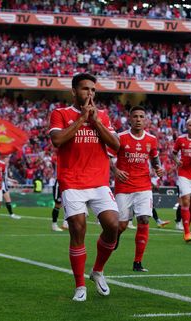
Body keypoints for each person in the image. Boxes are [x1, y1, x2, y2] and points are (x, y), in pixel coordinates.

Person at [49, 73, 120, 302]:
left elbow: (116, 145)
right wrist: (82, 119)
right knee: (78, 230)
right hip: (71, 180)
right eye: (84, 89)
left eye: (92, 89)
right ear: (73, 91)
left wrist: (96, 121)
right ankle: (80, 285)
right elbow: (58, 141)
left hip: (98, 180)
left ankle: (97, 270)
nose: (89, 93)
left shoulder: (104, 117)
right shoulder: (60, 114)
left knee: (113, 226)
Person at [111, 105, 164, 272]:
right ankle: (116, 236)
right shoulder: (120, 137)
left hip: (143, 186)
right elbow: (108, 158)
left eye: (141, 116)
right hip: (124, 186)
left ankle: (138, 262)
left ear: (145, 119)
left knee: (144, 220)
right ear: (130, 119)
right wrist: (116, 170)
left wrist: (157, 169)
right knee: (121, 225)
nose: (139, 119)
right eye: (135, 117)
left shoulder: (151, 139)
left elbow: (155, 158)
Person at [1, 155, 21, 220]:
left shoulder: (6, 166)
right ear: (4, 159)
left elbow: (5, 177)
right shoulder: (1, 165)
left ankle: (11, 214)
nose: (8, 160)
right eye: (7, 158)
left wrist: (12, 181)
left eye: (8, 158)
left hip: (4, 185)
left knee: (8, 200)